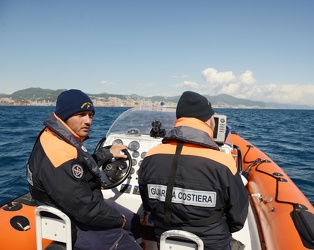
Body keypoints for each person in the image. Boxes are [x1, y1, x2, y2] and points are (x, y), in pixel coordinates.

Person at [27, 89, 142, 250]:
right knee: (126, 227)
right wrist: (119, 220)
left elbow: (81, 165)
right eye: (81, 114)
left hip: (80, 207)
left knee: (135, 221)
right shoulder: (58, 153)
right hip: (74, 223)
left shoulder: (59, 137)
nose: (88, 121)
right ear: (65, 115)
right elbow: (86, 209)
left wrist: (108, 153)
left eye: (90, 115)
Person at [138, 91, 248, 250]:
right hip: (213, 245)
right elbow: (238, 219)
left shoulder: (151, 156)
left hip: (164, 240)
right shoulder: (223, 162)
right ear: (209, 121)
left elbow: (148, 205)